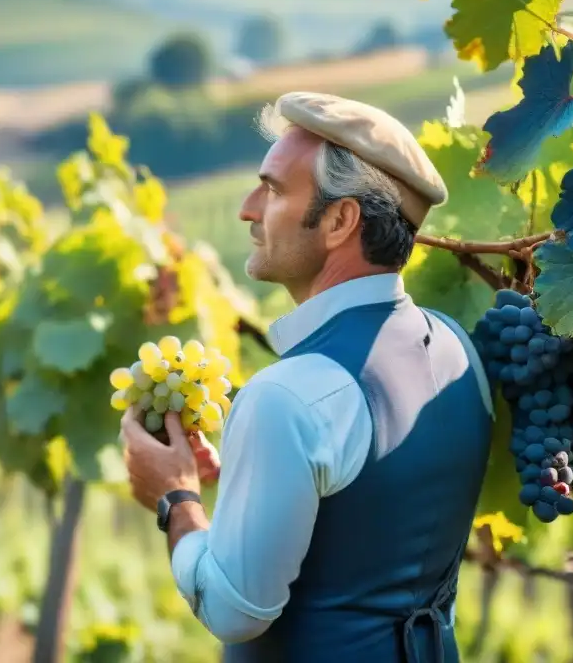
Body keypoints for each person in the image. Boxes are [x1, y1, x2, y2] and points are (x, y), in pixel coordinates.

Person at [120, 91, 494, 662]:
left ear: (341, 220)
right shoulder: (454, 348)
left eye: (271, 189)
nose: (247, 208)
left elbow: (232, 610)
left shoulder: (287, 396)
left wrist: (176, 498)